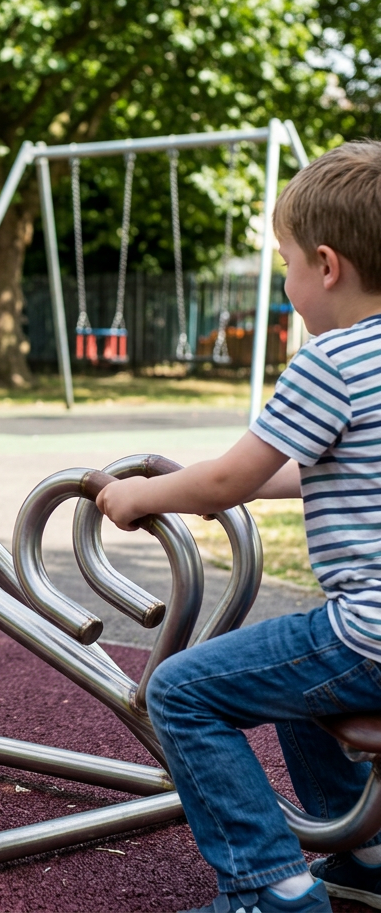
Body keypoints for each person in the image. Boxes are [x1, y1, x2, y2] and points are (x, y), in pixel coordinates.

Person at [96, 141, 381, 913]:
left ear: (326, 266)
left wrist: (141, 498)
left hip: (373, 636)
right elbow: (318, 467)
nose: (286, 284)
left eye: (285, 264)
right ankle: (367, 855)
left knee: (182, 691)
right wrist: (202, 485)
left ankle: (269, 887)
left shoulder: (332, 359)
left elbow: (231, 478)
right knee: (297, 667)